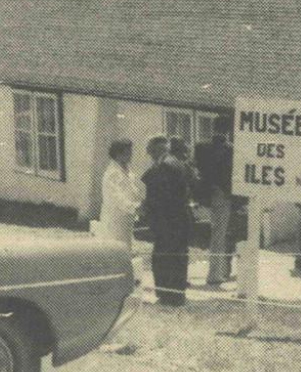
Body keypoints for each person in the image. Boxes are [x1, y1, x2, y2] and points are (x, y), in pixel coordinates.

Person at [141, 136, 193, 306]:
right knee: (177, 256)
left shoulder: (164, 166)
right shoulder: (177, 162)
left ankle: (167, 295)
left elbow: (158, 196)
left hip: (168, 220)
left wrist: (147, 210)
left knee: (164, 257)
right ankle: (176, 295)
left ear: (157, 150)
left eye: (150, 151)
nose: (149, 155)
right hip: (179, 218)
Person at [194, 116, 234, 285]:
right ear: (228, 130)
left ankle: (219, 271)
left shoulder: (201, 147)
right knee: (219, 234)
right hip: (222, 195)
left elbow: (199, 170)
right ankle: (214, 274)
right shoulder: (231, 149)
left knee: (214, 233)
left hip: (204, 195)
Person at [99, 139, 140, 253]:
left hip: (127, 217)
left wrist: (138, 204)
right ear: (118, 154)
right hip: (115, 218)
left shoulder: (127, 170)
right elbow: (115, 197)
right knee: (116, 249)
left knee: (127, 248)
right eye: (127, 153)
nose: (131, 156)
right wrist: (133, 207)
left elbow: (132, 191)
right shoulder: (112, 173)